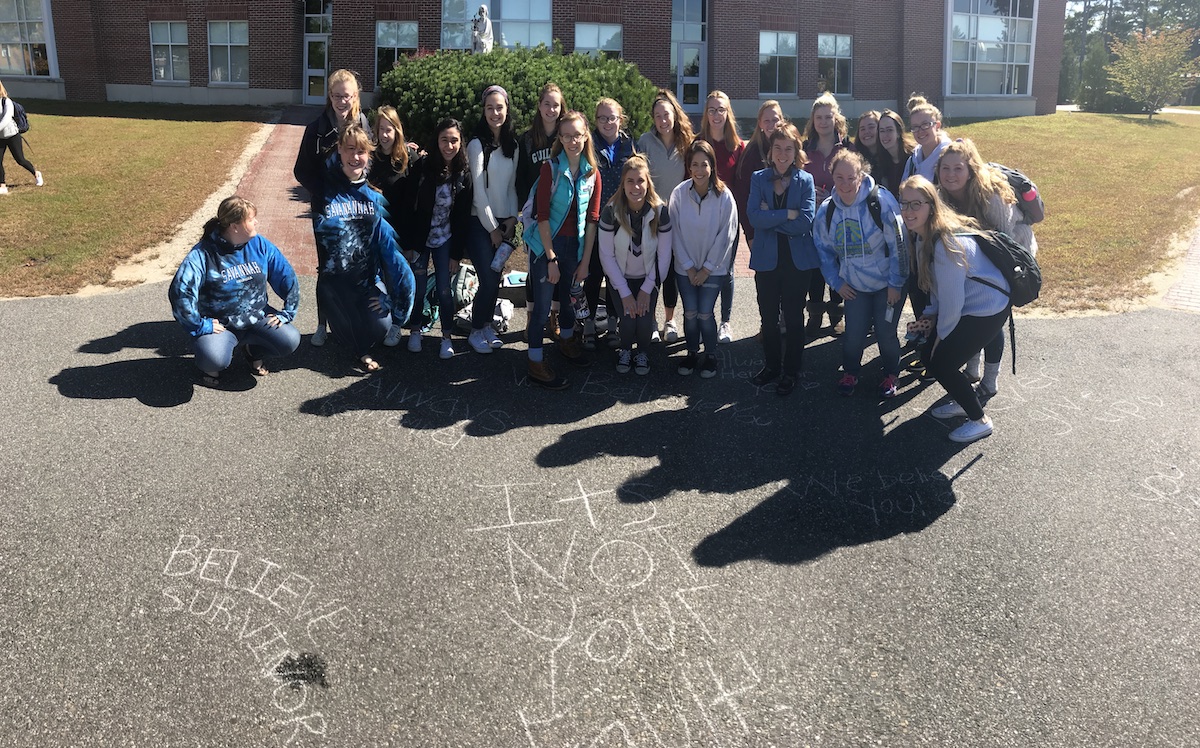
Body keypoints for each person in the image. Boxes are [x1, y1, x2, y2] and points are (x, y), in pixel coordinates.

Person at [899, 175, 1010, 443]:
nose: (908, 211)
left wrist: (940, 338)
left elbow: (952, 305)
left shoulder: (946, 245)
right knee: (932, 356)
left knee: (939, 362)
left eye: (916, 204)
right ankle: (965, 400)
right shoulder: (925, 236)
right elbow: (940, 288)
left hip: (988, 308)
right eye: (904, 203)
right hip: (979, 304)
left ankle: (979, 420)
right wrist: (930, 314)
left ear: (931, 206)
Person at [936, 137, 1038, 398]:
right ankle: (972, 370)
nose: (950, 174)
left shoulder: (991, 195)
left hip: (1010, 257)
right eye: (945, 168)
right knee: (974, 313)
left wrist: (996, 283)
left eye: (958, 168)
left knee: (993, 317)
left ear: (970, 170)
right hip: (980, 256)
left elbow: (1004, 241)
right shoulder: (944, 195)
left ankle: (990, 381)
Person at [313, 124, 416, 373]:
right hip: (334, 285)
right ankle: (356, 346)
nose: (355, 156)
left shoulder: (374, 197)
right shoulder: (324, 190)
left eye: (361, 151)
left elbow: (390, 251)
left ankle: (358, 335)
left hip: (366, 283)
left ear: (369, 155)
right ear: (339, 150)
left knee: (381, 325)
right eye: (349, 149)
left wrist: (396, 300)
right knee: (347, 331)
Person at [168, 196, 300, 387]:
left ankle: (253, 351)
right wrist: (199, 325)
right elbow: (181, 293)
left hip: (257, 317)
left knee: (289, 340)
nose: (256, 222)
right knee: (214, 359)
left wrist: (288, 311)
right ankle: (209, 366)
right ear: (235, 226)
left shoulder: (260, 245)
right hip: (220, 324)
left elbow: (286, 275)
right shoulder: (203, 254)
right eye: (251, 219)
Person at [813, 150, 907, 399]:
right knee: (853, 335)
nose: (845, 184)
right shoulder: (827, 212)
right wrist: (836, 282)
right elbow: (823, 251)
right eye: (839, 178)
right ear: (832, 177)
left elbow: (899, 244)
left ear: (861, 176)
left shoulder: (881, 203)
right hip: (854, 286)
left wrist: (896, 283)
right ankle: (851, 372)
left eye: (851, 178)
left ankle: (891, 373)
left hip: (886, 284)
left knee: (885, 334)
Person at [523, 110, 603, 389]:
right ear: (559, 138)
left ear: (586, 136)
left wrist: (585, 262)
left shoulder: (592, 173)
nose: (572, 141)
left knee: (569, 301)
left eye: (577, 135)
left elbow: (592, 220)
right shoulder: (551, 168)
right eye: (566, 136)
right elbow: (542, 216)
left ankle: (567, 342)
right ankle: (535, 362)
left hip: (575, 248)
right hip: (546, 247)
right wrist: (551, 259)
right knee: (543, 307)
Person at [293, 69, 372, 346]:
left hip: (357, 209)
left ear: (355, 96)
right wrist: (327, 194)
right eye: (336, 96)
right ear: (329, 96)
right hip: (326, 210)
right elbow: (301, 171)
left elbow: (371, 161)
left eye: (346, 96)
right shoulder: (316, 130)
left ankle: (351, 320)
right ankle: (321, 324)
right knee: (328, 267)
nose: (341, 102)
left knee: (356, 262)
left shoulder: (364, 125)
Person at [747, 123, 818, 397]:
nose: (782, 154)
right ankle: (772, 366)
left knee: (793, 317)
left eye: (788, 148)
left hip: (796, 262)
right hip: (767, 260)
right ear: (770, 150)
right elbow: (754, 217)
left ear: (796, 151)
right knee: (768, 318)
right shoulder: (759, 178)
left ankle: (791, 371)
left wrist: (771, 218)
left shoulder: (805, 180)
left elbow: (805, 221)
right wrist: (788, 213)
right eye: (777, 148)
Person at [669, 140, 739, 378]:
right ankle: (691, 352)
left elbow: (726, 236)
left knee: (705, 313)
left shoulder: (724, 196)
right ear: (689, 166)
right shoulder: (679, 194)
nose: (699, 170)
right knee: (690, 313)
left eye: (704, 165)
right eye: (695, 165)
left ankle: (710, 355)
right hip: (685, 268)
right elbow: (674, 233)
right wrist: (689, 268)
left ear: (712, 166)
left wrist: (706, 269)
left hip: (713, 269)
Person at [405, 118, 473, 360]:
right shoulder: (423, 167)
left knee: (444, 290)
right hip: (420, 239)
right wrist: (409, 245)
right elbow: (409, 206)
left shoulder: (463, 173)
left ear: (460, 143)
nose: (449, 145)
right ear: (437, 141)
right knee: (419, 287)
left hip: (445, 238)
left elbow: (463, 218)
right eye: (444, 140)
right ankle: (415, 330)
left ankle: (446, 336)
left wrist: (456, 254)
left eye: (454, 140)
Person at [597, 155, 672, 375]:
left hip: (649, 277)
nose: (636, 187)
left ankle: (643, 353)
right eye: (630, 181)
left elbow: (664, 256)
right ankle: (626, 350)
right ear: (623, 184)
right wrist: (625, 292)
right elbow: (606, 256)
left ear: (648, 183)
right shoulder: (611, 211)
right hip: (620, 278)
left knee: (644, 322)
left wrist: (647, 289)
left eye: (640, 181)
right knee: (629, 320)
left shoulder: (660, 212)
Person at [466, 84, 519, 355]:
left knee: (495, 277)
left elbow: (511, 188)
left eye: (499, 107)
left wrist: (512, 219)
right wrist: (493, 229)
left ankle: (487, 325)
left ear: (507, 109)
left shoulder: (513, 145)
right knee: (487, 279)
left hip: (503, 221)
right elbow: (479, 193)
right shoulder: (477, 145)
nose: (495, 113)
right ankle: (475, 330)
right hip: (480, 223)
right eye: (490, 108)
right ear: (483, 111)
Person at [637, 89, 694, 344]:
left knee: (670, 271)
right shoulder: (645, 142)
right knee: (651, 269)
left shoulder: (687, 143)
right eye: (658, 116)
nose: (663, 120)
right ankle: (650, 320)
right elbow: (639, 177)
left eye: (666, 114)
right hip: (651, 217)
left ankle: (670, 320)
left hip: (678, 219)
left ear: (675, 115)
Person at [586, 96, 638, 350]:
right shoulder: (588, 144)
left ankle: (612, 325)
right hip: (595, 220)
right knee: (593, 274)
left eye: (612, 118)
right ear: (596, 121)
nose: (607, 123)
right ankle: (588, 324)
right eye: (602, 118)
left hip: (622, 221)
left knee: (617, 276)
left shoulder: (630, 145)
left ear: (621, 119)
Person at [516, 83, 565, 341]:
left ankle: (553, 316)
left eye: (556, 105)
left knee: (557, 265)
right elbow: (521, 177)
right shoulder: (527, 139)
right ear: (539, 105)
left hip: (560, 213)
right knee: (535, 268)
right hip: (534, 215)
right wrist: (524, 210)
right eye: (547, 103)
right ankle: (532, 317)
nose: (551, 109)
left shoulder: (565, 135)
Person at [801, 93, 852, 338]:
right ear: (813, 120)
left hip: (839, 216)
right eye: (819, 117)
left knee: (837, 263)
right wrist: (809, 193)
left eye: (828, 117)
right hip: (811, 218)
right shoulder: (805, 148)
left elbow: (855, 179)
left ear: (836, 118)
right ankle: (815, 314)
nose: (823, 122)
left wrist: (832, 195)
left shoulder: (847, 148)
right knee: (815, 266)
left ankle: (837, 314)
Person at [369, 105, 420, 347]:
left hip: (401, 233)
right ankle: (379, 322)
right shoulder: (371, 159)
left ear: (397, 130)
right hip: (375, 234)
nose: (384, 135)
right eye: (381, 129)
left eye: (389, 129)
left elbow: (415, 205)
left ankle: (398, 324)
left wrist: (409, 243)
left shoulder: (409, 159)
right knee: (379, 281)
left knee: (400, 281)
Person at [699, 90, 745, 345]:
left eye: (721, 110)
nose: (716, 115)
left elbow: (741, 185)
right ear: (706, 114)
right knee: (701, 267)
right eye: (712, 110)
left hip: (728, 220)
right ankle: (700, 317)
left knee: (725, 270)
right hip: (701, 219)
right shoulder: (698, 144)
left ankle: (725, 321)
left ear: (728, 113)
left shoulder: (737, 147)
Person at [0, 80, 42, 194]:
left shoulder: (6, 102)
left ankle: (36, 173)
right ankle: (2, 186)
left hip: (12, 135)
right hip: (0, 137)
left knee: (20, 160)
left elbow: (6, 119)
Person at [901, 94, 951, 183]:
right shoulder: (912, 162)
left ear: (937, 126)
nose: (920, 131)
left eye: (925, 124)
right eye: (915, 127)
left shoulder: (949, 157)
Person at [875, 108, 915, 195]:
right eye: (882, 131)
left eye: (889, 130)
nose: (885, 135)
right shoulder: (881, 161)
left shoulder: (913, 159)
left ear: (898, 132)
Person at [852, 110, 882, 178]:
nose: (866, 132)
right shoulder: (854, 159)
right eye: (862, 129)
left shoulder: (891, 155)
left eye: (871, 127)